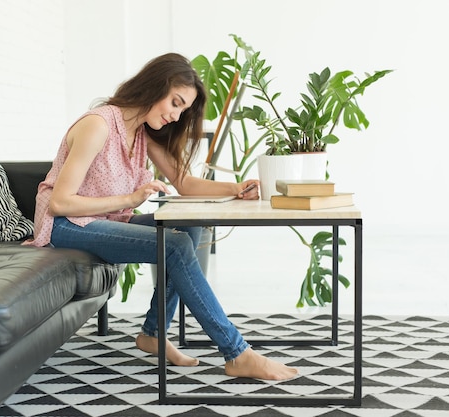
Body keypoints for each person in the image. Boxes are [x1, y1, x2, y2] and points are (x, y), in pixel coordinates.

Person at [26, 52, 297, 381]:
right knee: (176, 245)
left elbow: (183, 182)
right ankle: (236, 352)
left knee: (186, 225)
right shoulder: (98, 125)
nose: (176, 114)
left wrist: (237, 187)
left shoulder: (140, 132)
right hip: (63, 227)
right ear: (155, 87)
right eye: (175, 102)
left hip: (104, 222)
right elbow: (60, 203)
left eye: (183, 109)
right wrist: (131, 198)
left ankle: (154, 334)